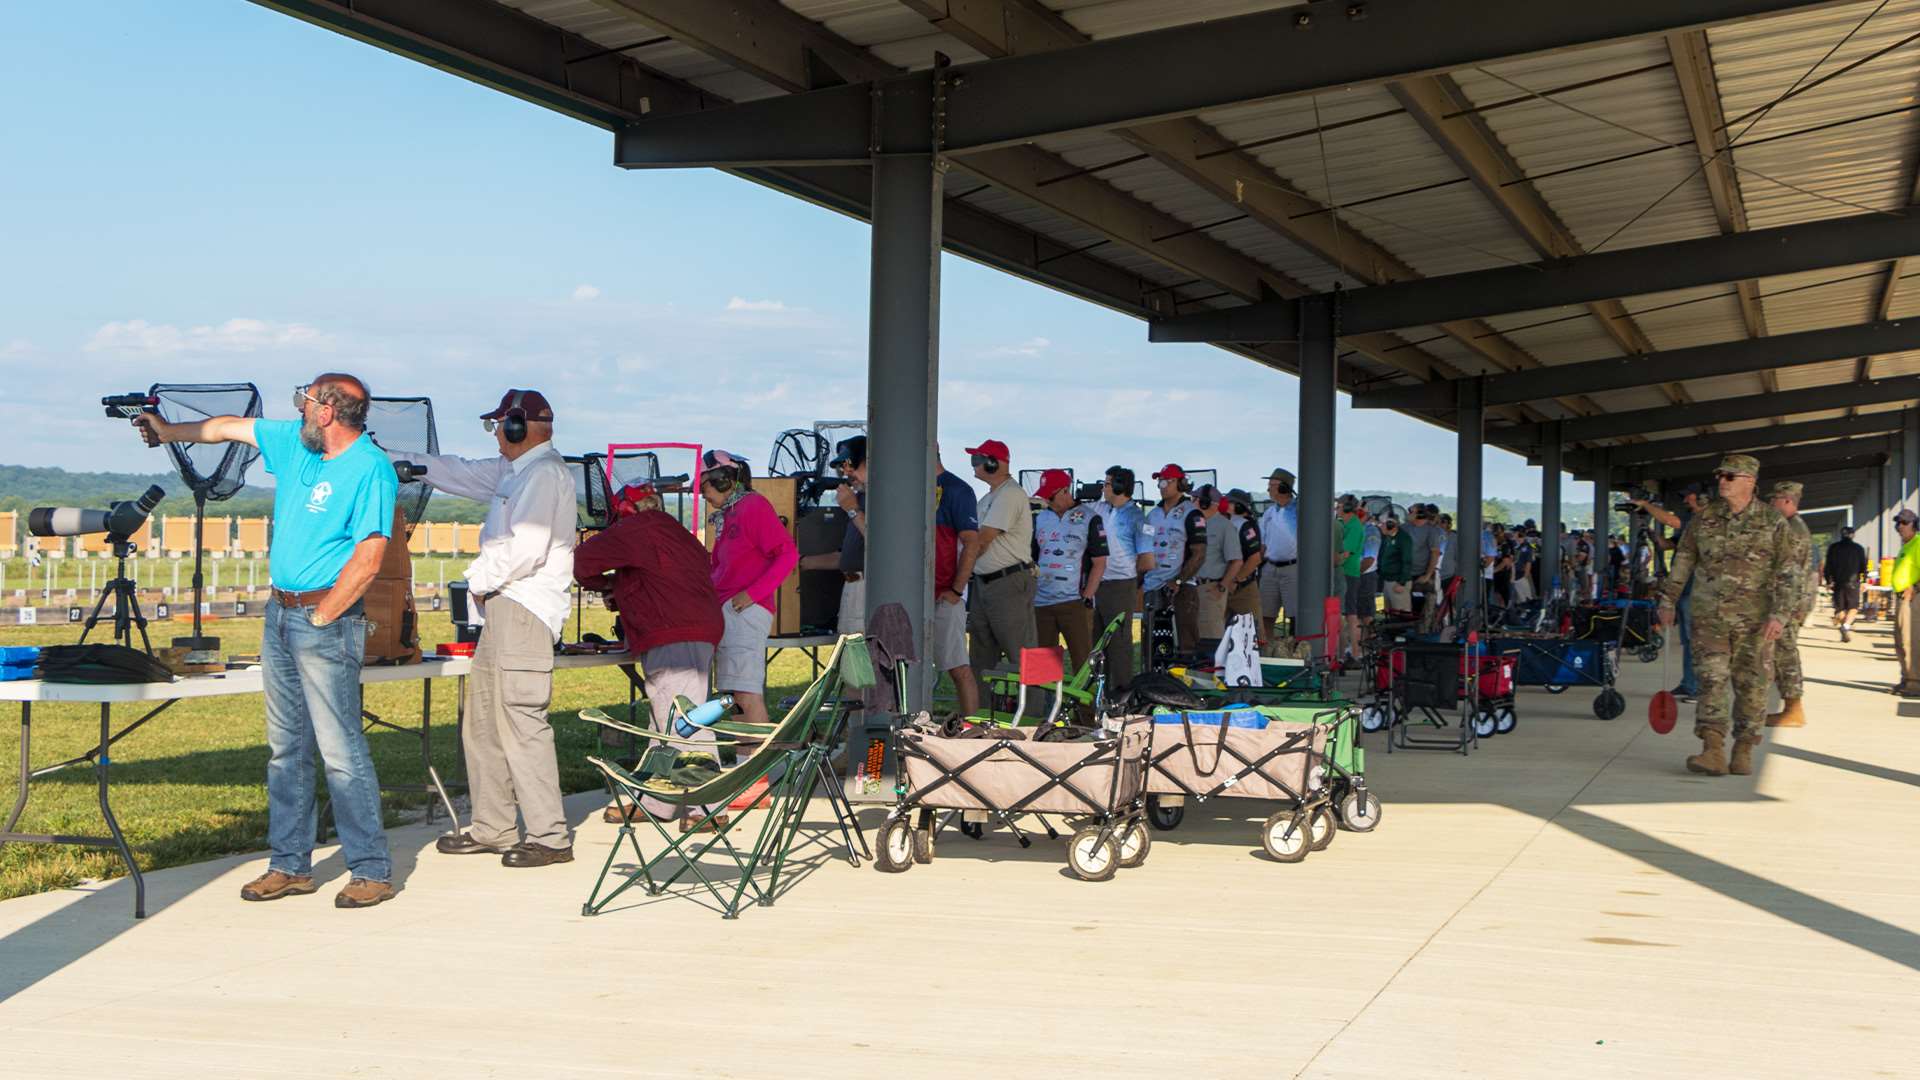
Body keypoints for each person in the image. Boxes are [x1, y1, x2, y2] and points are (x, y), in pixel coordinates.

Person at [132, 373, 398, 908]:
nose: (297, 411)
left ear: (326, 411)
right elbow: (226, 428)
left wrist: (324, 615)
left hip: (325, 618)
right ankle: (290, 866)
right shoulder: (294, 443)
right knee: (286, 749)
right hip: (280, 615)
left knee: (340, 748)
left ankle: (370, 869)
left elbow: (370, 557)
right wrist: (166, 433)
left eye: (304, 403)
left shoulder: (371, 468)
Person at [387, 389, 576, 868]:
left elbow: (527, 548)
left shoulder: (543, 473)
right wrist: (384, 456)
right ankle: (493, 827)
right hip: (502, 609)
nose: (495, 437)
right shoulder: (514, 472)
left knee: (520, 722)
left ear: (519, 426)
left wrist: (475, 583)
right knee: (484, 723)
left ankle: (550, 837)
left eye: (499, 427)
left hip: (522, 607)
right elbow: (452, 470)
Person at [573, 481, 724, 827]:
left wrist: (608, 584)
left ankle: (706, 809)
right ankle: (658, 803)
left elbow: (582, 562)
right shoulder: (675, 531)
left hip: (674, 632)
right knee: (666, 719)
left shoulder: (635, 529)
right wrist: (625, 585)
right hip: (697, 628)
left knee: (687, 722)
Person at [1657, 455, 1800, 777]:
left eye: (1730, 476)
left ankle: (1744, 749)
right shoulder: (1704, 519)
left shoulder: (1772, 522)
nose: (1722, 481)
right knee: (1711, 681)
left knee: (1752, 685)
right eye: (1720, 475)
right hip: (1709, 618)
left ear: (1749, 481)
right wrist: (1668, 601)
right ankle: (1712, 749)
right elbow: (1683, 561)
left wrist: (1780, 614)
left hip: (1756, 622)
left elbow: (1789, 572)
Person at [702, 449, 799, 728]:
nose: (702, 492)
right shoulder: (731, 512)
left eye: (705, 483)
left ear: (723, 479)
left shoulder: (753, 506)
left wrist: (753, 594)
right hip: (731, 610)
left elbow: (787, 554)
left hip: (743, 611)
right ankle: (749, 763)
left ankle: (760, 769)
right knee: (735, 695)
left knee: (745, 694)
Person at [955, 439, 1035, 678]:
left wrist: (957, 575)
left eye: (977, 460)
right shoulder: (989, 498)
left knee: (1020, 653)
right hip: (986, 581)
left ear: (993, 463)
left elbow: (982, 540)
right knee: (981, 654)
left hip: (1006, 582)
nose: (973, 465)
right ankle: (981, 712)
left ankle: (1032, 712)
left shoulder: (1010, 494)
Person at [1029, 469, 1108, 675]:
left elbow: (1099, 561)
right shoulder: (1039, 518)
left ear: (1065, 491)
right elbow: (1032, 558)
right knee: (1042, 662)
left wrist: (1087, 595)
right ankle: (1048, 706)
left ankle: (1086, 708)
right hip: (1041, 603)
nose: (1046, 499)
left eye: (1050, 494)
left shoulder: (1091, 518)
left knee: (1082, 661)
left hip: (1074, 602)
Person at [1639, 484, 1708, 701]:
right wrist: (1651, 532)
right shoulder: (1688, 524)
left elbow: (1671, 521)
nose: (1685, 501)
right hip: (1686, 586)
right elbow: (1668, 545)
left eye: (1687, 496)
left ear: (1699, 497)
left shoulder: (1703, 519)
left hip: (1698, 587)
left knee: (1695, 638)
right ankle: (1689, 683)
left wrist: (1645, 505)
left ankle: (1697, 686)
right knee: (1688, 639)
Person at [1763, 481, 1819, 730]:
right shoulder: (1791, 526)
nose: (1771, 504)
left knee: (1785, 655)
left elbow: (1790, 572)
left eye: (1775, 500)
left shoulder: (1793, 531)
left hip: (1790, 603)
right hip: (1790, 602)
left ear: (1787, 501)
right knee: (1781, 654)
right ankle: (1791, 707)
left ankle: (1793, 710)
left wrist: (1784, 609)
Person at [930, 452, 983, 716]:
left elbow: (972, 543)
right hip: (914, 596)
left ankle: (971, 731)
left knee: (958, 667)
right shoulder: (910, 487)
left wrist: (956, 590)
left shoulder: (957, 489)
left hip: (944, 596)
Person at [798, 436, 867, 636]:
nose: (846, 472)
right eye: (841, 467)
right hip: (852, 589)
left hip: (868, 592)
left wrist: (852, 509)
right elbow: (845, 556)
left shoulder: (873, 499)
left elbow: (880, 544)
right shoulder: (859, 498)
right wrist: (802, 562)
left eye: (849, 464)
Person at [1089, 466, 1150, 690]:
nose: (1103, 488)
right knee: (1097, 642)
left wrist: (1133, 581)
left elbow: (1147, 560)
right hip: (1099, 583)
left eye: (1106, 484)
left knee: (1119, 642)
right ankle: (1101, 691)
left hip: (1121, 583)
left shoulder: (1137, 517)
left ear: (1118, 486)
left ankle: (1122, 693)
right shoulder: (1100, 509)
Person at [1143, 465, 1207, 662]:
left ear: (1180, 483)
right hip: (1152, 585)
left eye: (1166, 481)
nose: (1161, 486)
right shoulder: (1152, 514)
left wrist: (1178, 581)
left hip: (1183, 588)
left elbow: (1199, 553)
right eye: (1159, 481)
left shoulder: (1193, 513)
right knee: (1151, 641)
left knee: (1186, 640)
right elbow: (1144, 549)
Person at [1257, 468, 1299, 639]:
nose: (1268, 489)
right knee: (1266, 614)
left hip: (1292, 568)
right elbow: (1263, 544)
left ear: (1283, 488)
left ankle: (1294, 651)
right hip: (1270, 568)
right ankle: (1269, 651)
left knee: (1295, 616)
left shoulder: (1299, 511)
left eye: (1272, 485)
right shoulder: (1269, 513)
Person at [1222, 489, 1265, 631]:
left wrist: (1235, 580)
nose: (1225, 505)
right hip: (1226, 586)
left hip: (1243, 588)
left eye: (1230, 502)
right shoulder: (1228, 522)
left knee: (1253, 632)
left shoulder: (1246, 526)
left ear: (1240, 506)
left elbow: (1255, 558)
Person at [1823, 524, 1868, 643]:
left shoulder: (1833, 548)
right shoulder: (1858, 548)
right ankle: (1846, 626)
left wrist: (1828, 581)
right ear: (1853, 535)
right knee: (1853, 608)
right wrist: (1864, 581)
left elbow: (1828, 566)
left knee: (1840, 609)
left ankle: (1844, 626)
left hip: (1838, 583)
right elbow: (1863, 567)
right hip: (1853, 582)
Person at [1892, 508, 1920, 698]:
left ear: (1914, 525)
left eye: (1904, 523)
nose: (1899, 527)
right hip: (1901, 597)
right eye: (1898, 523)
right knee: (1900, 641)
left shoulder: (1917, 544)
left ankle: (1915, 682)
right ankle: (1906, 677)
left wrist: (1915, 588)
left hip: (1912, 598)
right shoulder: (1906, 545)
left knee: (1911, 641)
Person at [1336, 495, 1365, 661]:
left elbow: (1345, 553)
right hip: (1343, 572)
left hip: (1349, 573)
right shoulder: (1342, 523)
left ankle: (1355, 652)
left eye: (1339, 506)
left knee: (1351, 614)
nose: (1337, 508)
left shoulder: (1355, 526)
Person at [1378, 513, 1414, 612]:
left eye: (1383, 524)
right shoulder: (1387, 537)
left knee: (1400, 612)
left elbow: (1407, 561)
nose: (1380, 526)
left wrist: (1401, 583)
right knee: (1383, 610)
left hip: (1397, 582)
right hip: (1386, 580)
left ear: (1391, 525)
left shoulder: (1404, 539)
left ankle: (1402, 628)